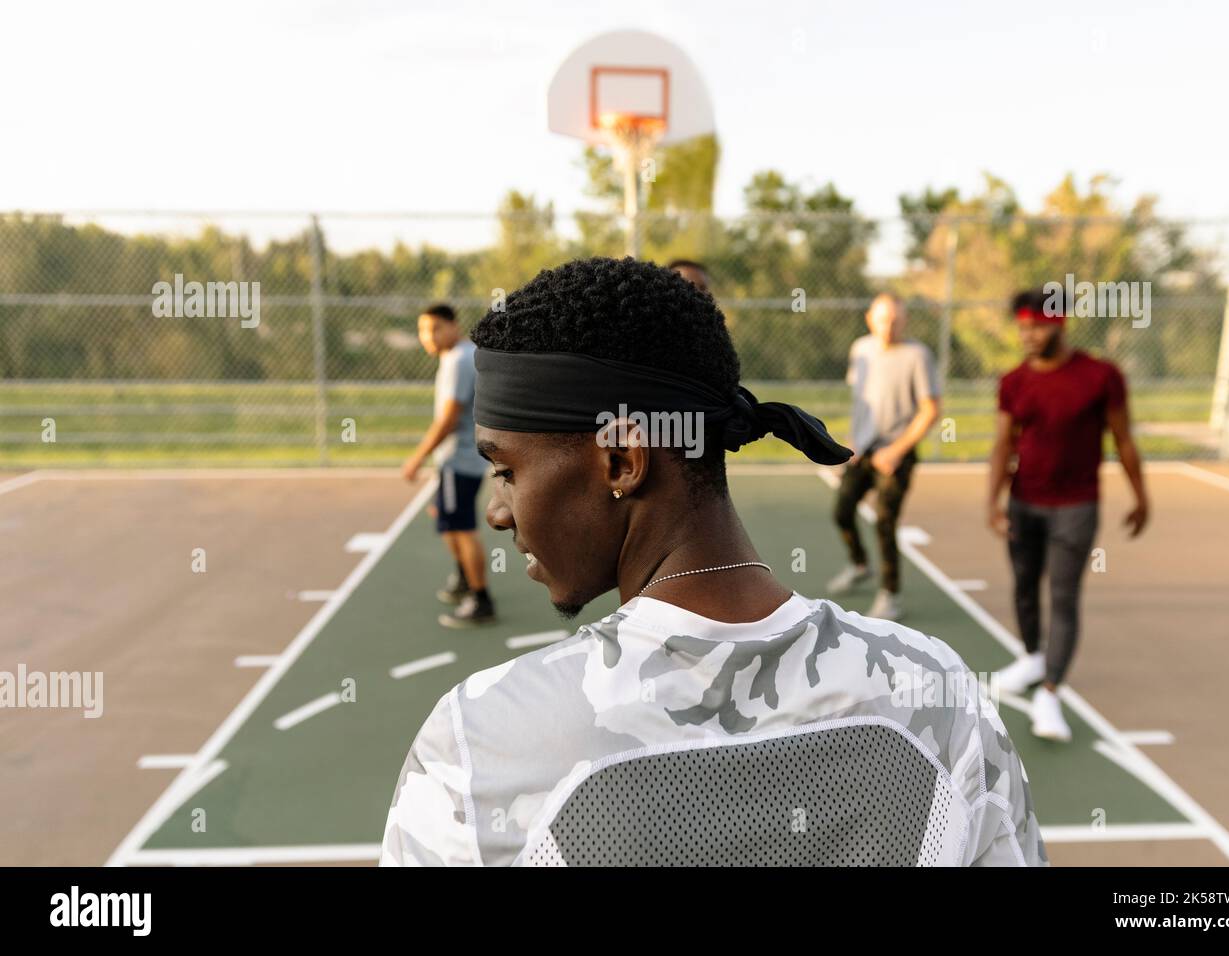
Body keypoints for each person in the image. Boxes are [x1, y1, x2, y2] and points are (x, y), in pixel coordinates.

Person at [382, 258, 1044, 867]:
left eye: (506, 471)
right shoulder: (939, 693)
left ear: (621, 461)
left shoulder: (482, 740)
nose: (498, 511)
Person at [988, 289, 1150, 741]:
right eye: (1022, 327)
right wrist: (992, 502)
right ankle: (1032, 658)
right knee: (1023, 587)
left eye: (1036, 326)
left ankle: (1051, 693)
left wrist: (1141, 496)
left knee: (1062, 595)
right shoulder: (1014, 381)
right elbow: (1004, 443)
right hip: (1024, 503)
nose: (1028, 335)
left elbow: (1123, 438)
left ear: (1060, 325)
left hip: (1076, 506)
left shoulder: (1101, 376)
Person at [827, 293, 941, 620]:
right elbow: (862, 402)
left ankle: (890, 595)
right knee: (842, 512)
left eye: (895, 321)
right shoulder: (860, 350)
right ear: (869, 319)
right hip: (861, 452)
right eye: (882, 320)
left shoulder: (918, 355)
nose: (888, 327)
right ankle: (860, 564)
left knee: (885, 521)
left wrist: (896, 450)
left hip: (897, 454)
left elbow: (931, 410)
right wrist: (852, 443)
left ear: (904, 321)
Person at [401, 303, 495, 628]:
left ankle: (480, 598)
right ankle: (464, 579)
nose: (427, 336)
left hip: (460, 460)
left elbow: (448, 420)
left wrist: (417, 458)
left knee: (462, 528)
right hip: (455, 461)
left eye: (434, 329)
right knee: (447, 520)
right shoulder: (456, 357)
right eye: (423, 330)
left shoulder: (458, 360)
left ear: (453, 326)